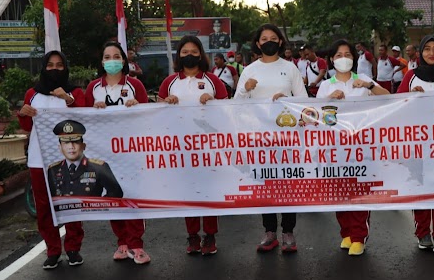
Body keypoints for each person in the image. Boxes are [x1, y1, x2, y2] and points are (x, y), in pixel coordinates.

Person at [234, 23, 307, 252]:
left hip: (287, 138)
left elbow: (304, 101)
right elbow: (236, 105)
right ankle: (269, 232)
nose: (269, 41)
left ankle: (288, 232)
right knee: (265, 182)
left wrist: (287, 99)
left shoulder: (291, 68)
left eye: (273, 37)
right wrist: (245, 89)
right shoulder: (250, 70)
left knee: (287, 183)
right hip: (260, 139)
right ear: (257, 43)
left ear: (280, 42)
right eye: (264, 38)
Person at [315, 40, 389, 256]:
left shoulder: (363, 79)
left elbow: (387, 97)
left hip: (361, 147)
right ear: (331, 59)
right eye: (338, 55)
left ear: (354, 59)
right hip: (335, 148)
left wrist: (369, 86)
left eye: (347, 54)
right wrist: (329, 99)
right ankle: (346, 233)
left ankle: (359, 236)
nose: (343, 58)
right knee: (340, 191)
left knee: (360, 192)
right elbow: (317, 116)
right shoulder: (326, 85)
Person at [158, 35, 228, 255]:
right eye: (185, 52)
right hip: (180, 147)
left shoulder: (212, 80)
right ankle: (192, 235)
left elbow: (228, 109)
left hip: (208, 146)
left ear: (201, 55)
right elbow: (155, 114)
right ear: (179, 55)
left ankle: (210, 235)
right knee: (188, 191)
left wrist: (213, 100)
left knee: (208, 192)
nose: (190, 55)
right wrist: (166, 104)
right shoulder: (169, 82)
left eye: (194, 52)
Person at [17, 50, 86, 270]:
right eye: (50, 65)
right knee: (45, 207)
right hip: (39, 160)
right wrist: (24, 113)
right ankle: (53, 250)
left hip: (69, 159)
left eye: (59, 65)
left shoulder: (73, 92)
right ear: (43, 68)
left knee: (72, 202)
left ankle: (73, 248)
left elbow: (85, 117)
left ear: (65, 68)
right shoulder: (32, 93)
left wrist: (67, 98)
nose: (54, 69)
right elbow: (27, 126)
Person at [85, 41, 151, 265]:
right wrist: (93, 110)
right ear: (102, 62)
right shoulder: (93, 88)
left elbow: (150, 117)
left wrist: (137, 107)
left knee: (132, 196)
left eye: (116, 56)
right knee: (113, 196)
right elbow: (83, 119)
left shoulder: (135, 86)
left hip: (131, 151)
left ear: (123, 61)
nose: (111, 61)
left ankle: (137, 245)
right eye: (107, 57)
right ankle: (122, 242)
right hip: (104, 152)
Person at [397, 36, 434, 253]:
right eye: (427, 49)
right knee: (420, 188)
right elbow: (396, 105)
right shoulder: (411, 77)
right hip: (417, 144)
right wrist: (409, 97)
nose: (432, 53)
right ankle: (423, 232)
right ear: (421, 52)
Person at [48, 120, 124, 198]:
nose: (71, 147)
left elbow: (116, 193)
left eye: (75, 142)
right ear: (60, 148)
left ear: (83, 146)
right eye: (66, 143)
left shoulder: (99, 167)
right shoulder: (53, 169)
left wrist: (97, 206)